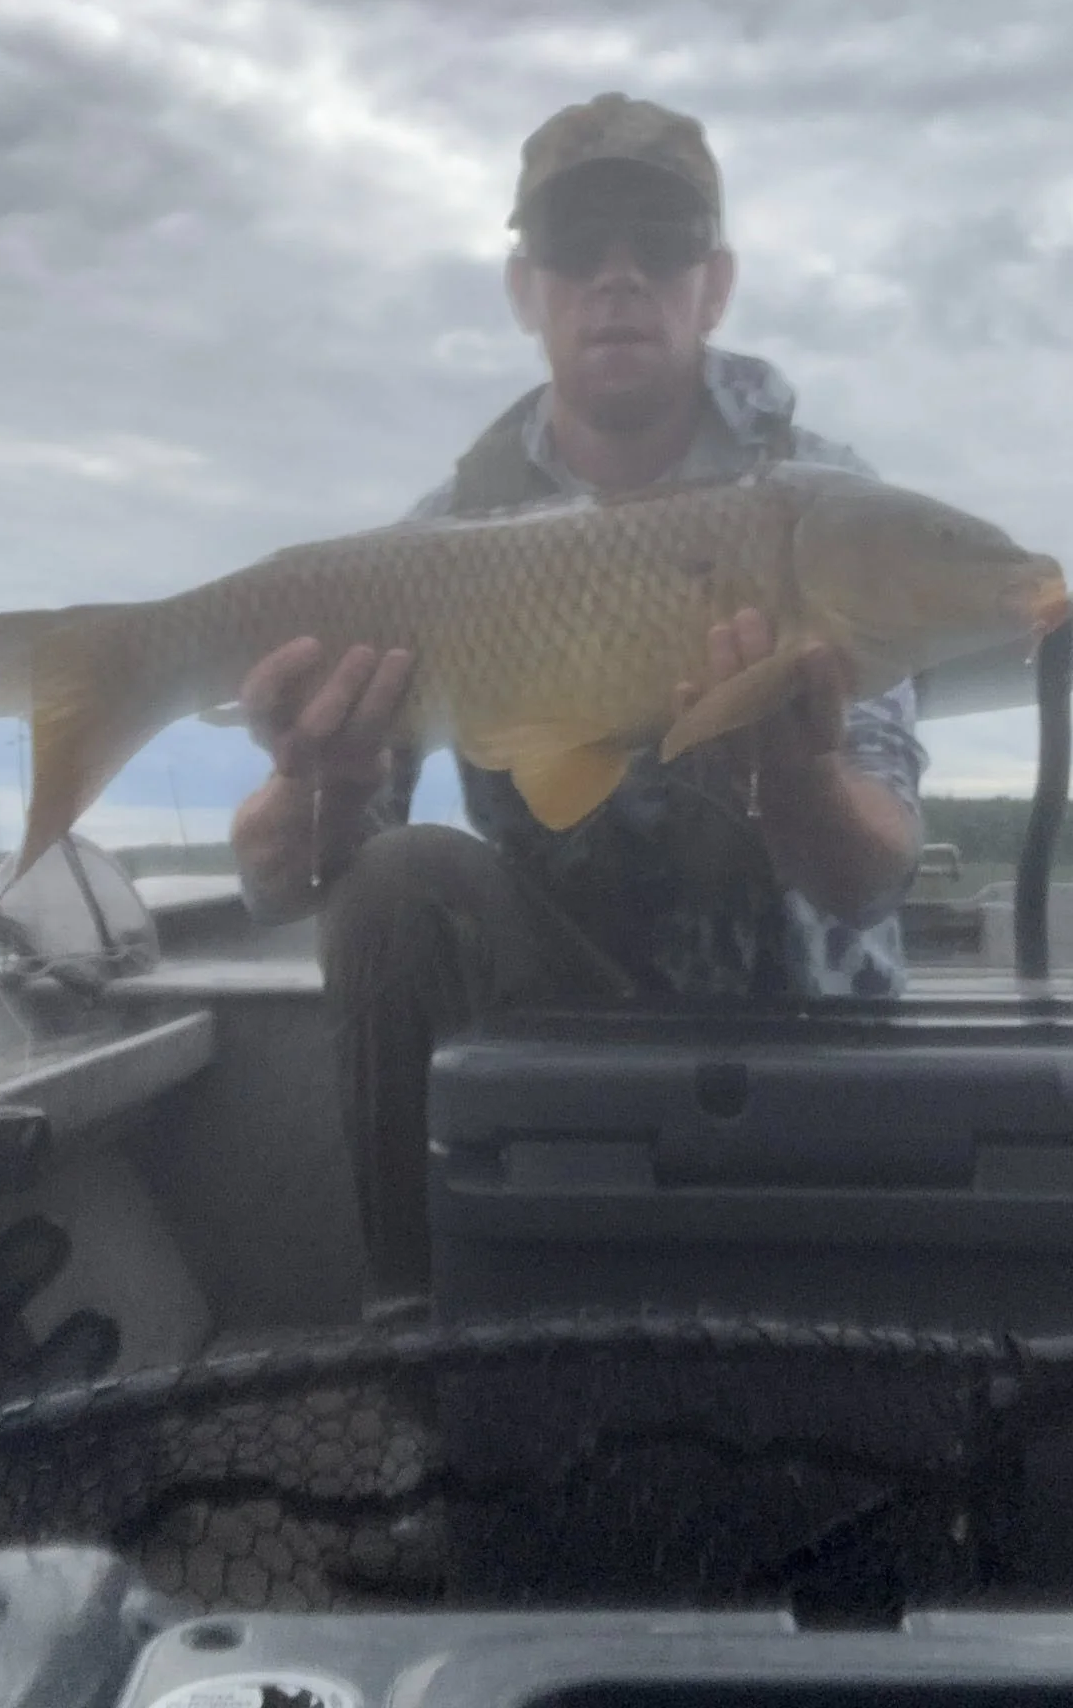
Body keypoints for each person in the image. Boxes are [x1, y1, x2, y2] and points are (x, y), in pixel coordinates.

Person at [231, 92, 927, 1309]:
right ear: (526, 288)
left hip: (802, 1034)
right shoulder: (446, 541)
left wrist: (796, 773)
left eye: (660, 238)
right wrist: (318, 780)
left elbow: (877, 870)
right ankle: (416, 1337)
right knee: (393, 878)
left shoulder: (826, 511)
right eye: (575, 241)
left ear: (714, 284)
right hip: (558, 1010)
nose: (618, 274)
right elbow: (272, 883)